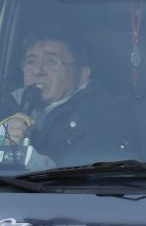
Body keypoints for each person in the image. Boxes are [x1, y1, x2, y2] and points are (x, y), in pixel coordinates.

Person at [11, 34, 124, 162]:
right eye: (30, 62)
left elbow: (87, 174)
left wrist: (26, 159)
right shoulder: (4, 109)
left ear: (82, 74)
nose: (38, 71)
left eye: (52, 61)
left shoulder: (106, 115)